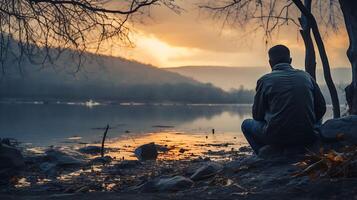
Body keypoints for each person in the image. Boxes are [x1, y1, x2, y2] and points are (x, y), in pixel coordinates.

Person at [241, 45, 326, 154]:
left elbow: (257, 115)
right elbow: (321, 108)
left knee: (246, 125)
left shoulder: (265, 80)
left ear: (270, 63)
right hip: (308, 136)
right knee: (314, 116)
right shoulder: (306, 76)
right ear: (290, 60)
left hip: (277, 138)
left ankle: (264, 154)